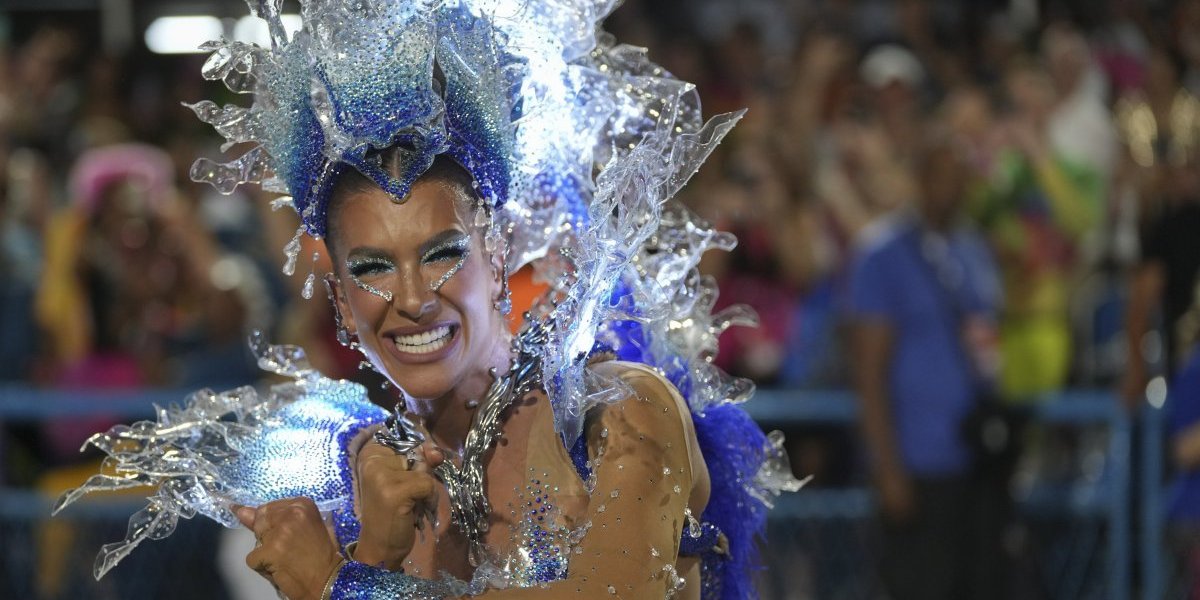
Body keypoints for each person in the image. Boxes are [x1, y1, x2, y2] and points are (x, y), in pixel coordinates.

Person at [56, 2, 801, 599]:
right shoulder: (368, 486)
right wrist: (375, 551)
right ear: (342, 304)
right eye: (373, 269)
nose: (411, 298)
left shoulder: (614, 414)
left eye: (442, 255)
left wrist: (346, 585)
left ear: (498, 257)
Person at [849, 130, 1005, 600]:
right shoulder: (883, 253)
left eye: (960, 178)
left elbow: (985, 336)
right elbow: (868, 372)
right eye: (940, 176)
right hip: (917, 460)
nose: (951, 188)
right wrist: (887, 468)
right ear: (920, 179)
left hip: (977, 457)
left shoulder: (974, 248)